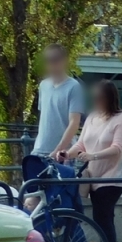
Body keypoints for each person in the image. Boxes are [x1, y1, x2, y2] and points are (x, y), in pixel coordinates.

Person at [60, 80, 122, 242]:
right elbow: (82, 144)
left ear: (109, 98)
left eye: (100, 98)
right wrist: (67, 154)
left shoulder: (121, 118)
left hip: (114, 175)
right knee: (102, 219)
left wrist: (93, 156)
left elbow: (118, 148)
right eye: (95, 98)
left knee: (103, 216)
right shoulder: (92, 117)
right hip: (95, 174)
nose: (96, 101)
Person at [24, 44, 85, 198]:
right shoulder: (43, 85)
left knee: (59, 202)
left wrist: (58, 150)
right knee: (30, 200)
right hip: (39, 150)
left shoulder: (74, 87)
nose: (51, 64)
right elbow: (45, 117)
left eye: (55, 60)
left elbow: (74, 123)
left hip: (61, 155)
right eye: (48, 60)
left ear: (64, 61)